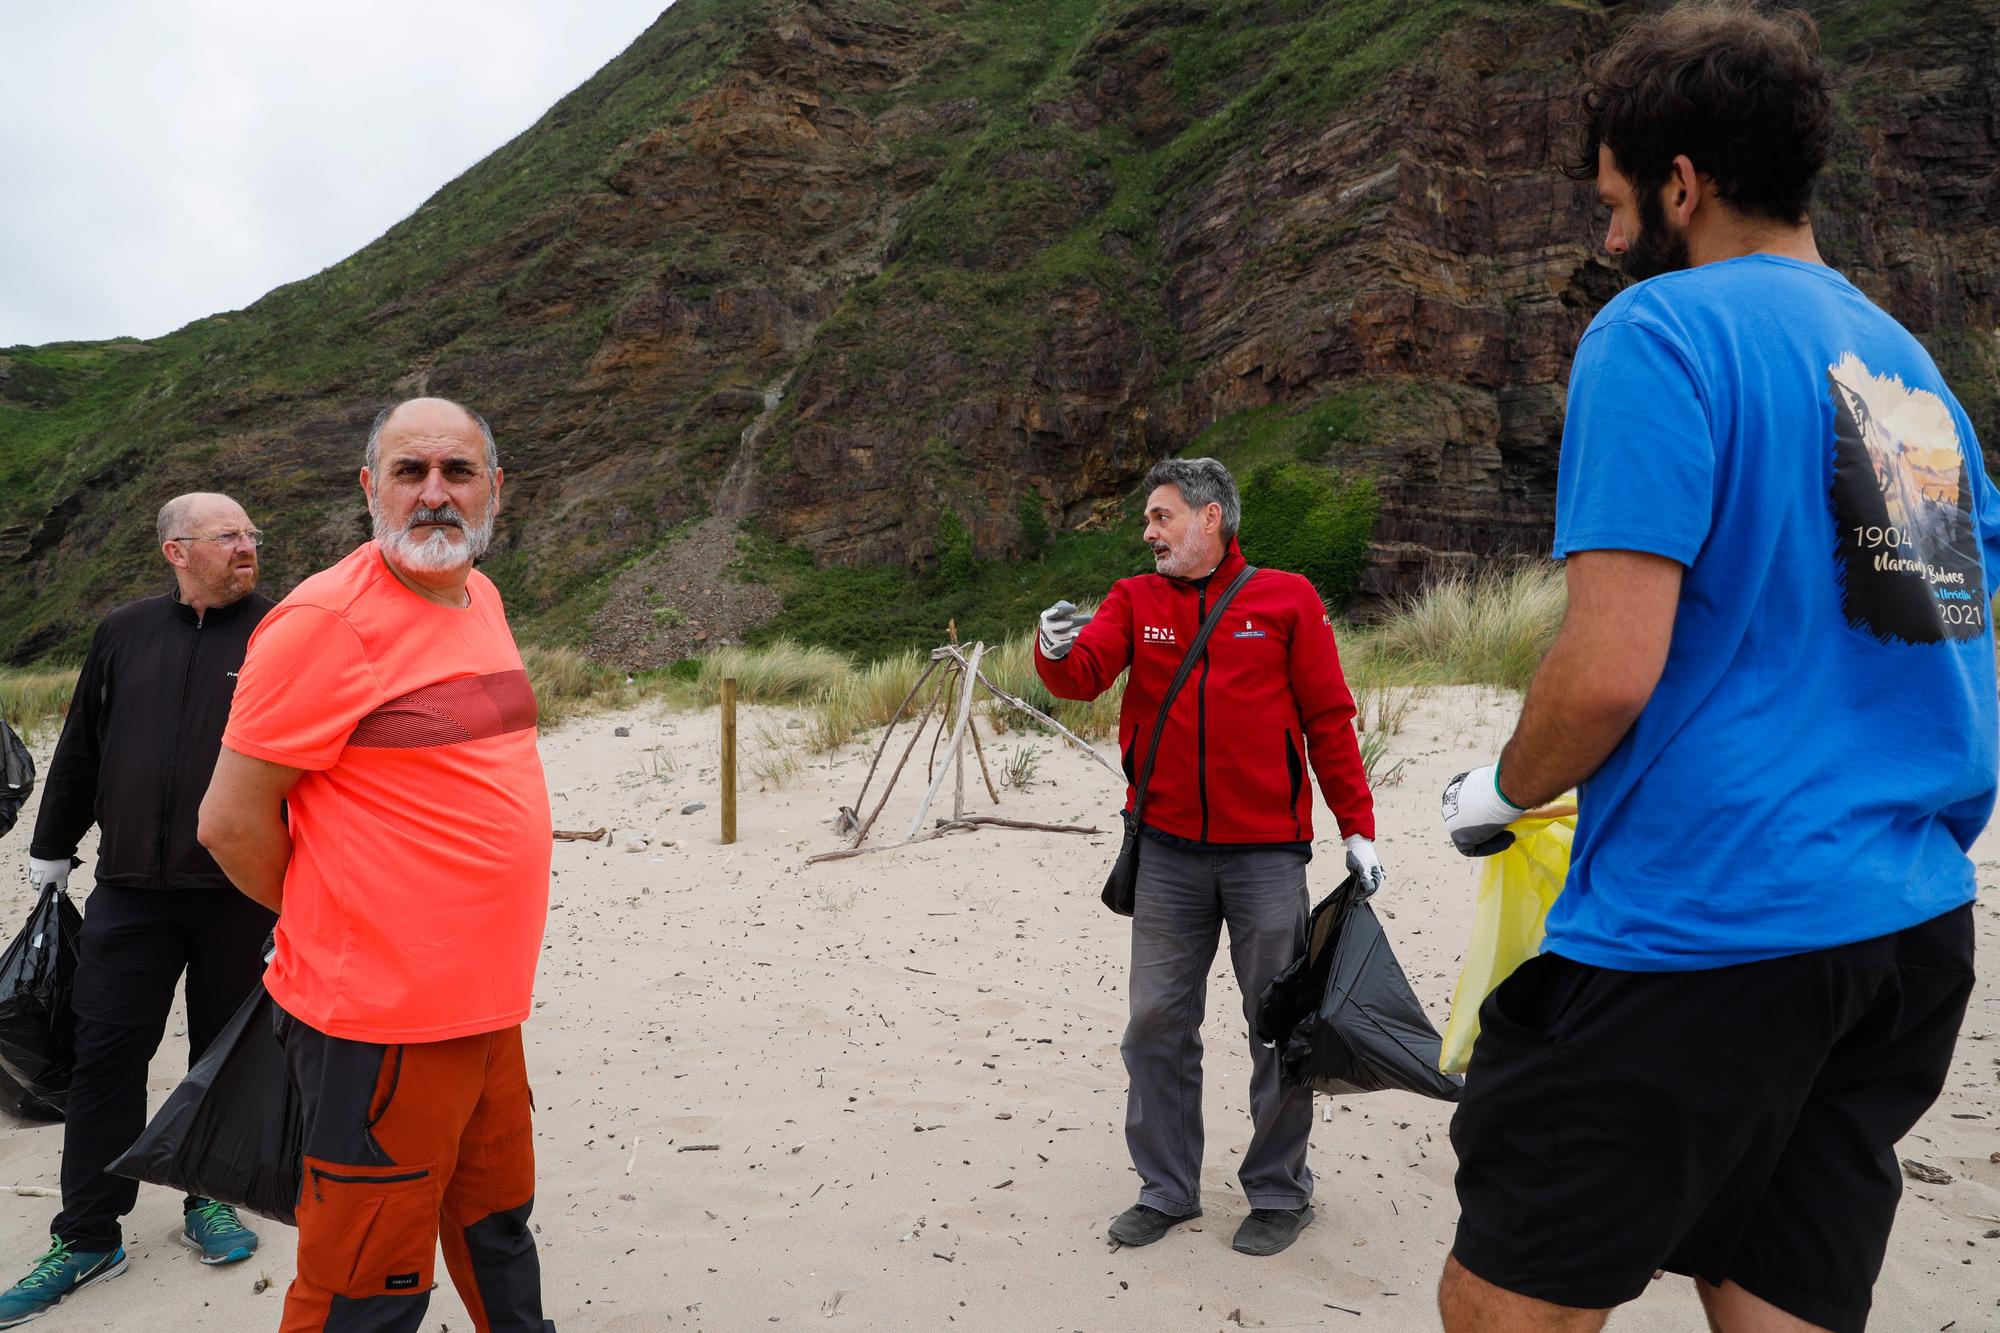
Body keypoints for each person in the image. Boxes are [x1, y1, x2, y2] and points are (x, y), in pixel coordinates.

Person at [1436, 7, 1991, 1331]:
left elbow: (1610, 669)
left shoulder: (1659, 336)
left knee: (1512, 1300)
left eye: (1617, 203)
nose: (1611, 238)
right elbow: (1946, 634)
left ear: (1683, 183)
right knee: (1768, 1290)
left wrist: (1505, 786)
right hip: (1908, 928)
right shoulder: (1910, 373)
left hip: (1711, 924)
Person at [198, 398, 556, 1333]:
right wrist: (344, 923)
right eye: (409, 471)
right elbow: (230, 822)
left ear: (494, 489)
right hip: (381, 1024)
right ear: (370, 486)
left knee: (496, 1223)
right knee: (367, 1276)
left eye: (457, 471)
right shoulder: (324, 619)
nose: (434, 493)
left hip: (490, 1008)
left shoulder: (480, 594)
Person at [1035, 456, 1381, 1258]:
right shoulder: (1135, 599)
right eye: (1149, 520)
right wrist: (1053, 647)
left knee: (1279, 1027)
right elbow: (1083, 675)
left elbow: (1328, 718)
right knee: (1156, 1020)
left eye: (1160, 516)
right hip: (1166, 855)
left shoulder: (1286, 598)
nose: (1148, 532)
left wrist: (1355, 828)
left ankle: (1279, 1191)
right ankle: (1166, 1188)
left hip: (1266, 857)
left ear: (1210, 517)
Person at [0, 494, 275, 1328]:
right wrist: (54, 847)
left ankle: (211, 1199)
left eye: (253, 535)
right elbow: (82, 741)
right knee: (104, 1057)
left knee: (222, 1055)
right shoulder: (123, 631)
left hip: (239, 889)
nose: (248, 547)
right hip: (126, 889)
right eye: (229, 536)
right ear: (175, 549)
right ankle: (88, 1233)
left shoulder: (283, 628)